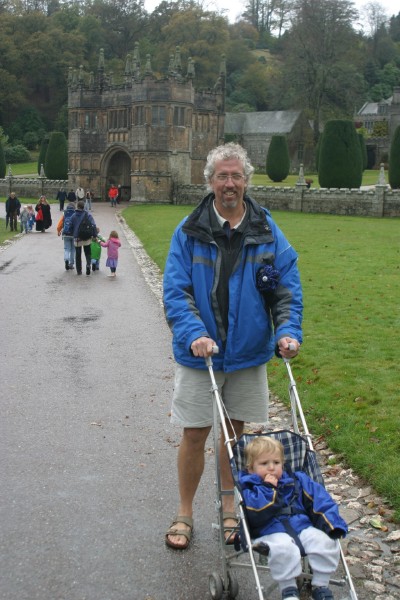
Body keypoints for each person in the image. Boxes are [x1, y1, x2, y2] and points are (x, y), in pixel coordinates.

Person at [163, 142, 303, 550]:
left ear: (246, 181)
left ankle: (229, 509)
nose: (229, 183)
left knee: (234, 436)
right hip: (200, 354)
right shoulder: (188, 231)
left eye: (236, 176)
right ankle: (185, 512)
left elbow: (286, 289)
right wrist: (194, 334)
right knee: (195, 433)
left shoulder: (267, 230)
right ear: (209, 181)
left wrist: (287, 332)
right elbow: (176, 292)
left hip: (246, 354)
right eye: (221, 176)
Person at [239, 437, 347, 600]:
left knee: (325, 541)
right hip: (270, 530)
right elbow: (255, 511)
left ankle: (321, 585)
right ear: (251, 469)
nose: (271, 467)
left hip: (301, 526)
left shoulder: (297, 480)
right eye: (264, 464)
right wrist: (269, 489)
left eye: (276, 462)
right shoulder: (249, 487)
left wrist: (333, 524)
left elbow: (321, 499)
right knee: (283, 548)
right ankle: (288, 589)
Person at [69, 200, 97, 275]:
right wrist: (94, 235)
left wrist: (72, 233)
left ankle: (79, 270)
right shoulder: (88, 215)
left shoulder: (73, 215)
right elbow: (93, 225)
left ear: (77, 206)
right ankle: (88, 265)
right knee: (87, 252)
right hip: (87, 237)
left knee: (78, 254)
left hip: (77, 238)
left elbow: (70, 226)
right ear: (83, 207)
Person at [57, 201, 76, 270]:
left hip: (65, 234)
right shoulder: (75, 214)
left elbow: (60, 224)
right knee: (73, 250)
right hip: (73, 234)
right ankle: (71, 264)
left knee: (66, 248)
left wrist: (58, 231)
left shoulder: (65, 214)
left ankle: (66, 259)